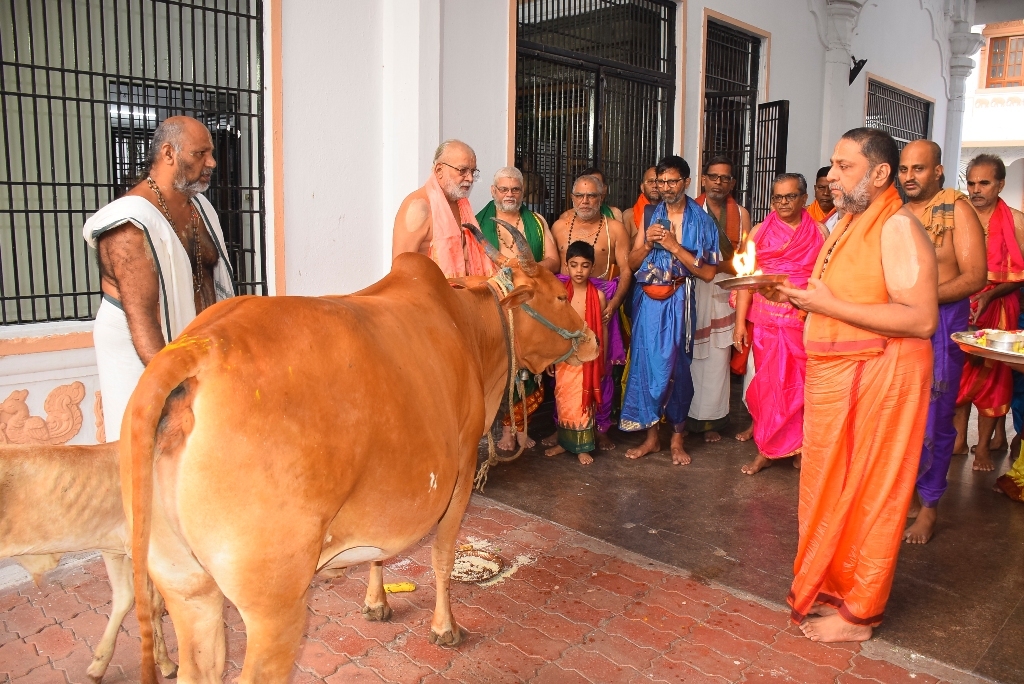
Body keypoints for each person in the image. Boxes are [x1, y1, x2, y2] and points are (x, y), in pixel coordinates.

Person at [776, 128, 937, 643]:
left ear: (880, 173)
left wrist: (823, 305)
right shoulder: (850, 221)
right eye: (832, 165)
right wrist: (800, 297)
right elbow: (846, 291)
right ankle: (838, 592)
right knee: (835, 489)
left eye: (844, 167)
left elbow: (920, 318)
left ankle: (860, 615)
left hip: (885, 373)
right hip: (848, 374)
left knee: (872, 493)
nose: (832, 177)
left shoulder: (896, 227)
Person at [83, 116, 235, 439]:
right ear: (168, 154)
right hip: (142, 352)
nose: (212, 162)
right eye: (200, 154)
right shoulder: (129, 225)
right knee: (146, 447)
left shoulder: (199, 209)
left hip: (191, 352)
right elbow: (144, 324)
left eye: (211, 153)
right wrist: (176, 392)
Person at [898, 140, 987, 544]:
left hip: (941, 320)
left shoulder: (958, 210)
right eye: (904, 169)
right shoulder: (895, 213)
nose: (909, 177)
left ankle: (929, 505)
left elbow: (974, 278)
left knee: (934, 418)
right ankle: (905, 496)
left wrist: (921, 301)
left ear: (937, 171)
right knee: (899, 417)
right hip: (895, 325)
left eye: (918, 169)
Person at [619, 156, 719, 465]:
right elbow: (631, 264)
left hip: (680, 299)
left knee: (677, 368)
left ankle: (677, 439)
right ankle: (651, 439)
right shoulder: (650, 214)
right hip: (647, 302)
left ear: (687, 182)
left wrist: (675, 247)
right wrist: (647, 245)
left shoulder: (702, 220)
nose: (666, 188)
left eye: (672, 182)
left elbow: (708, 273)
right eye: (661, 182)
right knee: (645, 367)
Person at [733, 173, 826, 475]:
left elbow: (823, 280)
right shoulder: (760, 231)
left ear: (804, 198)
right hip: (767, 325)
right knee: (770, 386)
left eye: (790, 197)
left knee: (801, 386)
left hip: (802, 321)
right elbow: (748, 281)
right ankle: (767, 449)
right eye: (777, 197)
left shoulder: (820, 232)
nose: (783, 203)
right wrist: (738, 326)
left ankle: (799, 446)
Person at [476, 167, 559, 451]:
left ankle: (522, 429)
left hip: (529, 306)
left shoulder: (535, 222)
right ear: (493, 191)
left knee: (528, 367)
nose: (509, 194)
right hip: (493, 305)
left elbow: (553, 261)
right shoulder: (477, 223)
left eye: (515, 190)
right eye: (504, 189)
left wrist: (526, 270)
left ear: (523, 193)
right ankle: (505, 429)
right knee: (502, 367)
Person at [548, 174, 632, 450]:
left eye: (592, 196)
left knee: (602, 368)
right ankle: (564, 426)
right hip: (566, 306)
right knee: (564, 370)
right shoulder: (559, 226)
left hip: (600, 305)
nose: (585, 201)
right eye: (580, 196)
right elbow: (553, 268)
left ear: (602, 197)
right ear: (572, 198)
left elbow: (627, 270)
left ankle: (601, 427)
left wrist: (613, 304)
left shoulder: (615, 228)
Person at [953, 154, 1024, 471]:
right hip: (961, 305)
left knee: (992, 376)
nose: (976, 190)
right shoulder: (956, 217)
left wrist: (991, 294)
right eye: (971, 183)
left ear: (1000, 184)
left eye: (984, 183)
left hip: (999, 308)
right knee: (960, 373)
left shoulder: (1017, 221)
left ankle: (982, 448)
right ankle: (957, 439)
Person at [688, 156, 751, 441]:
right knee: (691, 354)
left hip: (725, 288)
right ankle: (684, 419)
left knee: (718, 356)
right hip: (695, 288)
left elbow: (745, 259)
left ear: (732, 183)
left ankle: (712, 422)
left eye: (725, 178)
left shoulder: (741, 213)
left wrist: (719, 268)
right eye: (713, 177)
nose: (718, 182)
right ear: (703, 179)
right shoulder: (690, 210)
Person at [392, 139, 494, 277]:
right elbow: (399, 273)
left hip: (458, 296)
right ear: (439, 170)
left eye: (473, 171)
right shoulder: (419, 207)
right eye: (462, 170)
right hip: (426, 296)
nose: (470, 178)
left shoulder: (462, 206)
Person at [544, 241, 607, 465]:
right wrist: (551, 356)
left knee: (583, 400)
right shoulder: (561, 294)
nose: (579, 271)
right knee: (563, 399)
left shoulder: (598, 296)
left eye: (584, 265)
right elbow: (553, 327)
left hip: (588, 355)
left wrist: (602, 358)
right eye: (574, 265)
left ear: (592, 267)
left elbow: (602, 330)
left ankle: (583, 446)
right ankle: (564, 442)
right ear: (566, 266)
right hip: (564, 354)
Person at [623, 167, 660, 244]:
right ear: (642, 187)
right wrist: (647, 230)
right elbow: (625, 249)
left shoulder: (673, 212)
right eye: (650, 181)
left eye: (659, 181)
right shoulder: (629, 215)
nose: (655, 185)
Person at [806, 166, 840, 233]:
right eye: (821, 187)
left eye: (831, 188)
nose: (826, 193)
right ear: (815, 188)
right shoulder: (803, 215)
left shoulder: (843, 217)